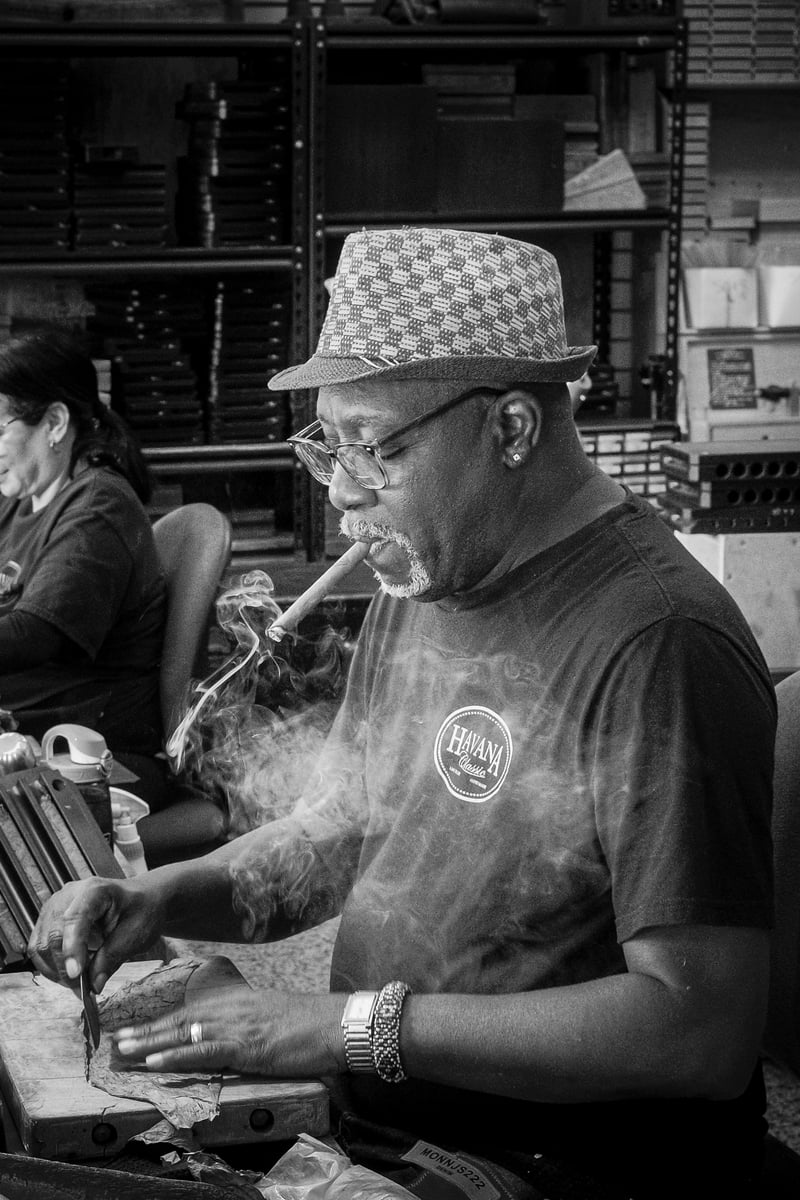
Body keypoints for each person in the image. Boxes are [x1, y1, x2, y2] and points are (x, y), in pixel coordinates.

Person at [28, 230, 776, 1200]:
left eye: (374, 447)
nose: (342, 491)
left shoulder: (658, 642)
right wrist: (160, 898)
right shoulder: (423, 581)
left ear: (511, 429)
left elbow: (698, 1032)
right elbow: (342, 832)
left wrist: (347, 1026)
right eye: (326, 445)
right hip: (381, 1114)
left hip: (556, 1161)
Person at [0, 326, 223, 859]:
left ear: (54, 423)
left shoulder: (99, 507)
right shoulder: (16, 504)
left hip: (88, 761)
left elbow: (34, 635)